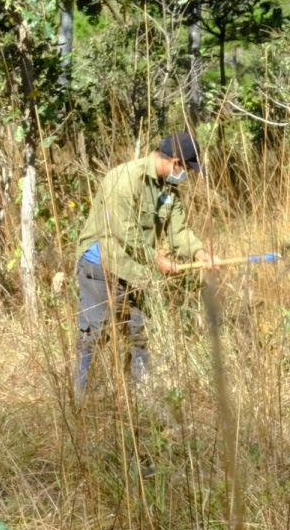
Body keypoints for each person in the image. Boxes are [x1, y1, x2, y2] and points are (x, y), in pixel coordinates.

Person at [73, 132, 232, 398]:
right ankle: (80, 400)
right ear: (176, 162)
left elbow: (177, 229)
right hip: (100, 266)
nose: (186, 175)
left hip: (135, 270)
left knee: (139, 333)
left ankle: (141, 398)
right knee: (94, 335)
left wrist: (199, 252)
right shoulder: (124, 179)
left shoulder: (169, 189)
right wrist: (156, 259)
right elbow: (123, 229)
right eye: (186, 168)